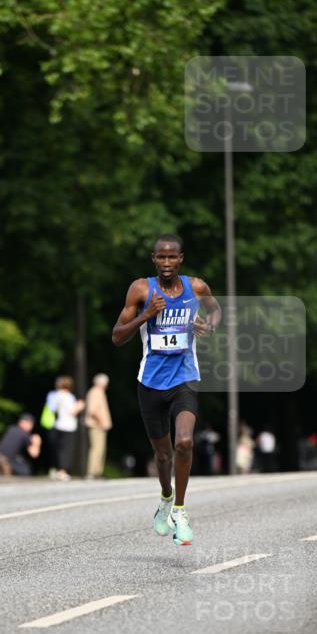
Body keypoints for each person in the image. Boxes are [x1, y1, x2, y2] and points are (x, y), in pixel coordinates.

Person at [111, 233, 221, 545]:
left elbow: (215, 310)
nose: (167, 262)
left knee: (184, 442)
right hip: (150, 382)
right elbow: (117, 336)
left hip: (185, 377)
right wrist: (146, 315)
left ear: (181, 258)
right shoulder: (141, 289)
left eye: (172, 256)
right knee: (162, 455)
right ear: (154, 259)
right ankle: (166, 498)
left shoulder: (196, 287)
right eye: (161, 257)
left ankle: (181, 511)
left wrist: (210, 325)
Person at [52, 376, 85, 480]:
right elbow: (72, 412)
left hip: (59, 424)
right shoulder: (68, 396)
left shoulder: (57, 395)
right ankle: (63, 471)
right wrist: (80, 406)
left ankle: (58, 470)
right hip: (68, 426)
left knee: (61, 449)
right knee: (67, 450)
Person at [85, 373, 113, 479]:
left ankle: (97, 472)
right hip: (97, 425)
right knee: (97, 449)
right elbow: (93, 410)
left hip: (98, 425)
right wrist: (102, 422)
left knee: (100, 449)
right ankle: (93, 472)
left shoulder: (98, 392)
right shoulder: (96, 392)